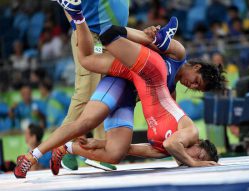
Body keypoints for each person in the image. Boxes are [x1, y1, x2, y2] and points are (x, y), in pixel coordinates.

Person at [14, 1, 225, 178]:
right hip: (138, 64)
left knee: (115, 151)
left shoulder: (172, 95)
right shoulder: (179, 56)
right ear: (196, 67)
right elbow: (172, 138)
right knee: (85, 117)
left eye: (198, 89)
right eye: (197, 81)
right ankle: (33, 155)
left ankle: (77, 16)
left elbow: (164, 123)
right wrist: (149, 35)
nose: (193, 86)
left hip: (126, 88)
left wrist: (102, 143)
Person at [59, 0, 130, 171]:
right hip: (91, 36)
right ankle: (63, 147)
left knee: (105, 96)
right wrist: (77, 26)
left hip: (114, 39)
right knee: (86, 93)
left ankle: (100, 151)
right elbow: (65, 3)